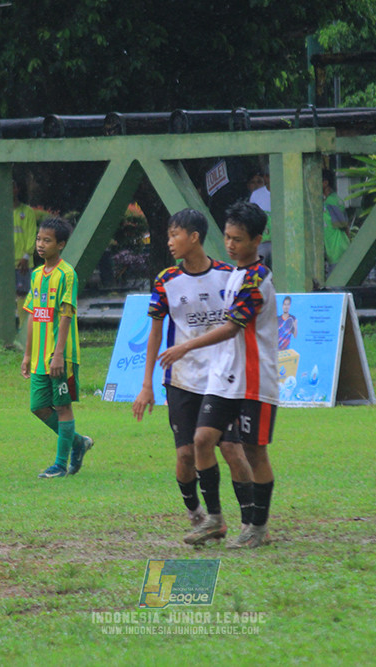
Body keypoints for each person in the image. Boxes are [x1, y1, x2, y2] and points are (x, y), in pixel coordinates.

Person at [158, 201, 278, 549]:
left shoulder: (256, 279)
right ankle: (214, 518)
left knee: (253, 452)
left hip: (253, 379)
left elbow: (231, 328)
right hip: (224, 377)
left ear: (256, 240)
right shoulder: (236, 274)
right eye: (227, 237)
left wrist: (186, 347)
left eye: (237, 239)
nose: (230, 244)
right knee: (201, 441)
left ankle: (257, 526)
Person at [132, 209, 255, 537]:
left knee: (231, 449)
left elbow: (241, 327)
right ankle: (198, 514)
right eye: (169, 236)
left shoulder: (229, 276)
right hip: (182, 379)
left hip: (223, 378)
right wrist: (147, 385)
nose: (169, 242)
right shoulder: (166, 281)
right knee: (186, 454)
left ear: (195, 237)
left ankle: (250, 521)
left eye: (175, 235)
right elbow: (155, 333)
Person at [20, 217, 94, 478]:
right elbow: (33, 315)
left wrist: (59, 354)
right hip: (39, 358)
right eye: (39, 239)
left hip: (60, 355)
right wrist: (27, 354)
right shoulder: (36, 275)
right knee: (38, 407)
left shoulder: (67, 274)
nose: (40, 245)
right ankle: (78, 442)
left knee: (62, 407)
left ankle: (60, 465)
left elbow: (66, 316)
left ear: (60, 244)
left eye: (47, 240)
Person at [12, 177, 38, 316]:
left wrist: (26, 256)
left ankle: (23, 325)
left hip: (22, 261)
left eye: (12, 187)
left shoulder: (27, 211)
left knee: (23, 294)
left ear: (17, 189)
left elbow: (31, 235)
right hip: (4, 262)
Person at [322, 168, 350, 271]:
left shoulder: (330, 202)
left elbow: (343, 225)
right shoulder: (334, 199)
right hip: (337, 251)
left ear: (325, 183)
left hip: (337, 251)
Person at [249, 166, 273, 267]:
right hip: (261, 242)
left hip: (280, 242)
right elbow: (251, 218)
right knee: (259, 268)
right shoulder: (256, 195)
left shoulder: (285, 193)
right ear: (266, 177)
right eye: (269, 176)